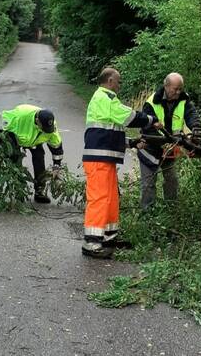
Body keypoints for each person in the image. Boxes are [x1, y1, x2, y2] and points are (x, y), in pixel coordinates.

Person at [82, 67, 162, 258]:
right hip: (98, 160)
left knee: (110, 198)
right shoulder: (106, 98)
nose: (120, 84)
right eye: (118, 81)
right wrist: (151, 120)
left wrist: (131, 142)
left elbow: (110, 132)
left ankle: (109, 237)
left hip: (104, 159)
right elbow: (128, 117)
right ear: (110, 81)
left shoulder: (104, 100)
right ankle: (91, 243)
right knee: (100, 199)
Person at [138, 72, 201, 210]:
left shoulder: (183, 99)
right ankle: (147, 215)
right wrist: (163, 142)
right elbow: (147, 128)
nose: (178, 92)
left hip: (170, 150)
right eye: (175, 89)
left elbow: (191, 114)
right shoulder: (151, 103)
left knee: (172, 181)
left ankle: (171, 211)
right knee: (148, 184)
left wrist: (196, 129)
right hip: (150, 150)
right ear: (166, 86)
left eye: (180, 88)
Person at [0, 104, 64, 204]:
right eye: (44, 128)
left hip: (35, 141)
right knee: (15, 158)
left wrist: (57, 166)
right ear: (37, 121)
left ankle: (39, 191)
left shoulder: (50, 126)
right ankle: (18, 190)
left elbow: (56, 146)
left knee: (39, 157)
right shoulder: (19, 117)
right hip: (16, 137)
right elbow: (0, 119)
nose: (46, 131)